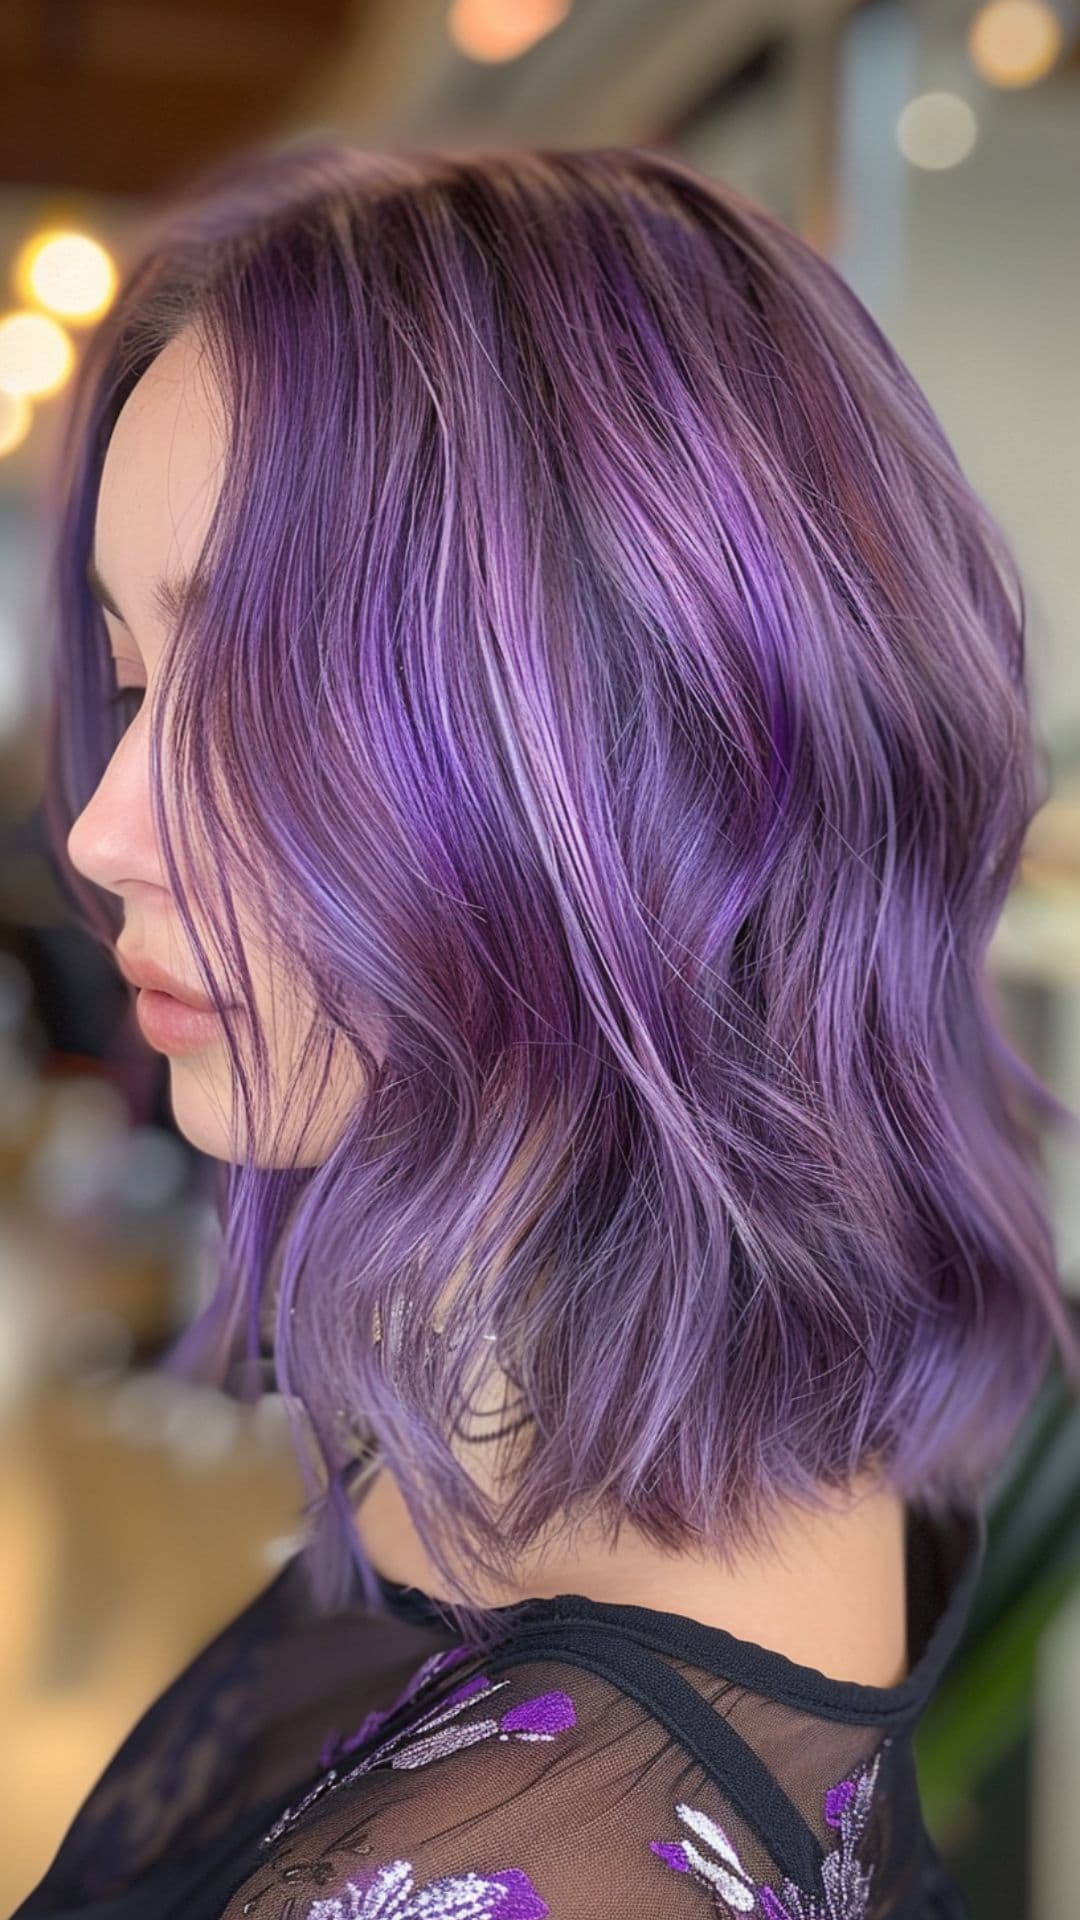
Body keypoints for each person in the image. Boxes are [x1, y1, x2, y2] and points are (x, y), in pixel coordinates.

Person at [18, 139, 1079, 1919]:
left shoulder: (528, 1868)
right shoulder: (692, 1413)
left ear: (641, 752)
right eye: (132, 684)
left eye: (261, 696)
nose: (103, 832)